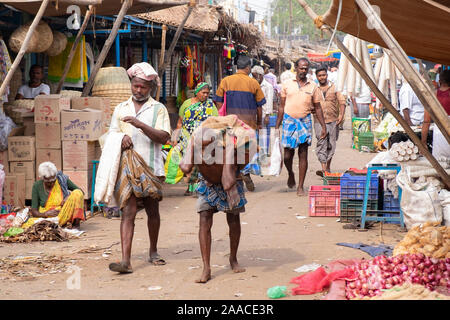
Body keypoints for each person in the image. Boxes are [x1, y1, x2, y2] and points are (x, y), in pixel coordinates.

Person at [108, 62, 171, 274]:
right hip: (126, 168)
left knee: (153, 211)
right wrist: (122, 137)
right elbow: (110, 136)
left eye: (143, 87)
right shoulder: (120, 108)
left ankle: (153, 251)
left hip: (151, 167)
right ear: (131, 84)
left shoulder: (158, 109)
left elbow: (164, 137)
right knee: (128, 212)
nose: (138, 90)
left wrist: (139, 125)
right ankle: (125, 261)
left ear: (150, 88)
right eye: (135, 86)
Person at [213, 55, 266, 192]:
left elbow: (218, 101)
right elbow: (260, 106)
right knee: (248, 150)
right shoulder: (253, 83)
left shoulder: (226, 81)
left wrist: (223, 117)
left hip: (231, 123)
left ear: (237, 67)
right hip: (249, 124)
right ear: (248, 68)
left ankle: (237, 178)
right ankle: (245, 171)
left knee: (232, 151)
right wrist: (259, 123)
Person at [275, 58, 327, 196]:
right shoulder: (287, 84)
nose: (303, 70)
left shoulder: (313, 86)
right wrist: (276, 126)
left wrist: (323, 126)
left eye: (306, 68)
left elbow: (318, 108)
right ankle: (291, 173)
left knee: (303, 153)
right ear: (296, 68)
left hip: (305, 122)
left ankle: (300, 186)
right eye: (301, 68)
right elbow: (281, 106)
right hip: (288, 121)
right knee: (287, 155)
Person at [175, 82, 218, 195]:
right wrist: (175, 137)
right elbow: (180, 121)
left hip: (203, 137)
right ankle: (190, 186)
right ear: (197, 92)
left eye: (207, 93)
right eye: (203, 93)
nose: (205, 95)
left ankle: (199, 186)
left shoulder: (210, 105)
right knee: (189, 160)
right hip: (187, 136)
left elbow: (215, 121)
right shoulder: (186, 104)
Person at [24, 162, 85, 229]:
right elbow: (34, 211)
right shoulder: (37, 186)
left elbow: (80, 191)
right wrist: (45, 214)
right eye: (48, 182)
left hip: (64, 214)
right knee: (31, 224)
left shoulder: (62, 180)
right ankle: (54, 224)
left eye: (53, 180)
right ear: (42, 178)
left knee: (77, 193)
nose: (51, 183)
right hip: (47, 218)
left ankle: (75, 225)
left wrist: (68, 197)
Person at [314, 67, 346, 175]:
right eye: (319, 75)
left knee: (331, 145)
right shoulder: (314, 89)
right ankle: (323, 169)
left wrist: (341, 114)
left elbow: (342, 101)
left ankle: (328, 167)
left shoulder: (334, 87)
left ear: (326, 75)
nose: (322, 77)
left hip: (333, 121)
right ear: (316, 77)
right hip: (319, 121)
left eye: (323, 75)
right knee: (321, 142)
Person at [421, 70, 450, 159]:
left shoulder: (433, 96)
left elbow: (426, 121)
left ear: (439, 81)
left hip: (439, 134)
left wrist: (423, 142)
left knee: (441, 165)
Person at [252, 65, 273, 156]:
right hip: (254, 113)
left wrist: (268, 115)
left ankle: (264, 151)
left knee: (264, 134)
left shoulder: (268, 86)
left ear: (260, 75)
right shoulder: (252, 84)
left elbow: (269, 101)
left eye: (254, 75)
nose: (253, 77)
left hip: (264, 113)